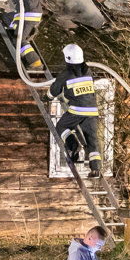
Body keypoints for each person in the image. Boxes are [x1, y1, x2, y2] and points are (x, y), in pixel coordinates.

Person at [48, 44, 102, 177]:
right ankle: (95, 169)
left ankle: (73, 145)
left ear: (68, 58)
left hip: (77, 110)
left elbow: (54, 91)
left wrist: (46, 97)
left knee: (62, 126)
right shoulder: (88, 72)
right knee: (92, 139)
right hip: (92, 110)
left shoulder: (66, 74)